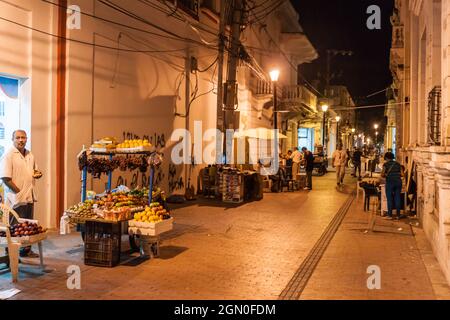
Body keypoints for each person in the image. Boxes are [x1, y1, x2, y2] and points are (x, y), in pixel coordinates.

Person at [0, 130, 42, 257]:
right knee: (14, 225)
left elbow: (34, 170)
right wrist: (19, 191)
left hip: (29, 195)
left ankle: (26, 250)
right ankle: (10, 253)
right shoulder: (8, 155)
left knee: (27, 224)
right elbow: (5, 178)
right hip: (15, 198)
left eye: (23, 137)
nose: (20, 140)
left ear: (27, 139)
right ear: (13, 139)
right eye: (17, 137)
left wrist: (37, 174)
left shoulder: (30, 154)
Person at [381, 152, 404, 220]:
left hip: (390, 182)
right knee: (397, 198)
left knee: (389, 198)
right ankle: (398, 215)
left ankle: (390, 215)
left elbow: (382, 174)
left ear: (387, 158)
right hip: (398, 182)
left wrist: (386, 175)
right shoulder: (398, 164)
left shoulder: (386, 164)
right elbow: (402, 174)